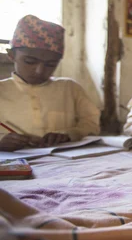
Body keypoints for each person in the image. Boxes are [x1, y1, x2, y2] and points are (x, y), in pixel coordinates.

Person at [0, 15, 100, 151]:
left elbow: (92, 124)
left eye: (51, 64)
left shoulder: (70, 88)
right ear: (11, 55)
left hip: (66, 163)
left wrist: (69, 134)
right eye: (30, 61)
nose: (39, 71)